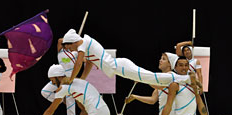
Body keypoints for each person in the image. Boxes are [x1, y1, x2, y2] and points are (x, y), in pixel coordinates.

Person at [61, 29, 191, 86]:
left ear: (72, 42)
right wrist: (82, 79)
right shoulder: (85, 45)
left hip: (120, 66)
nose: (69, 50)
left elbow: (78, 64)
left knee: (151, 78)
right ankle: (183, 79)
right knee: (151, 79)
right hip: (119, 67)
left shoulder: (83, 45)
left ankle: (185, 78)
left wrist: (71, 79)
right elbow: (88, 63)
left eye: (68, 47)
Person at [41, 38, 77, 115]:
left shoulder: (75, 53)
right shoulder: (61, 53)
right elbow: (60, 40)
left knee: (70, 103)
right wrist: (69, 40)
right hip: (58, 76)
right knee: (45, 91)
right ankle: (60, 99)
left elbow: (83, 60)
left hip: (68, 80)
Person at [176, 41, 204, 115]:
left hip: (192, 85)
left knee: (192, 105)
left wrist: (201, 87)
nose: (187, 52)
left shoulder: (196, 61)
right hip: (181, 84)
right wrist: (189, 42)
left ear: (191, 51)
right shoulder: (181, 60)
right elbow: (179, 45)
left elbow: (199, 74)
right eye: (185, 51)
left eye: (189, 50)